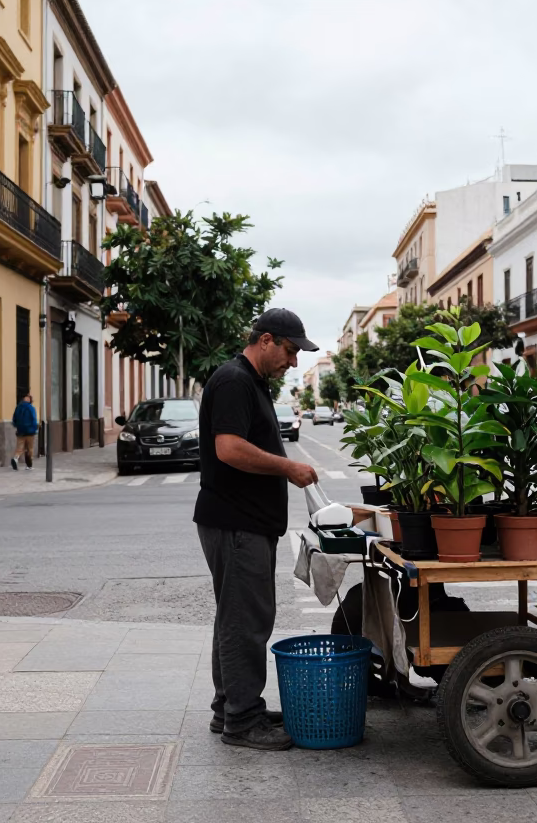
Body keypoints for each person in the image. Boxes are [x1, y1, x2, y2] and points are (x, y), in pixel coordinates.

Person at [194, 308, 320, 751]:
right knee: (246, 621)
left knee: (234, 617)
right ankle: (242, 721)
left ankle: (228, 706)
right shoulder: (234, 380)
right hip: (236, 521)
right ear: (265, 340)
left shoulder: (250, 381)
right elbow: (228, 449)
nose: (293, 361)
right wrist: (288, 467)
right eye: (289, 351)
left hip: (242, 520)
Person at [10, 393, 38, 471]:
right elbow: (33, 419)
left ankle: (15, 459)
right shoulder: (31, 408)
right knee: (29, 448)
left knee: (19, 448)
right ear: (30, 400)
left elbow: (14, 419)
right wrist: (35, 428)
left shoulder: (18, 407)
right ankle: (29, 465)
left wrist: (17, 426)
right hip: (30, 431)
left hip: (20, 431)